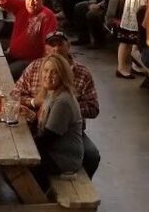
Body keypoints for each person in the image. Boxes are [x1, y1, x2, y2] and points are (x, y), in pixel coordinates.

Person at [11, 32, 100, 178]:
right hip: (45, 127)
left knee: (91, 155)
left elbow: (47, 139)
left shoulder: (65, 95)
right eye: (52, 45)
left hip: (62, 142)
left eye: (60, 44)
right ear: (45, 47)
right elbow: (14, 94)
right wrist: (34, 107)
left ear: (68, 46)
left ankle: (72, 191)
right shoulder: (48, 86)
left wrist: (66, 115)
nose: (56, 48)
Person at [24, 54, 84, 188]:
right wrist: (33, 117)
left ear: (63, 75)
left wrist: (22, 146)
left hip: (63, 159)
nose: (48, 75)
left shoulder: (62, 101)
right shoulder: (51, 93)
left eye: (54, 72)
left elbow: (48, 139)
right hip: (54, 152)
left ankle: (38, 197)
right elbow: (44, 127)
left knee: (18, 165)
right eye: (46, 70)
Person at [0, 0, 57, 78]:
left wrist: (44, 67)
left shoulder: (47, 16)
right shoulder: (22, 6)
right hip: (12, 54)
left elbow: (50, 44)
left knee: (3, 74)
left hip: (30, 61)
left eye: (35, 0)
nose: (31, 3)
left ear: (42, 1)